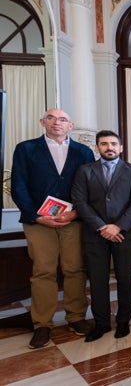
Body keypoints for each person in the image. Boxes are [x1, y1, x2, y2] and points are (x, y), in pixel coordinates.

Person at [10, 109, 96, 349]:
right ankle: (42, 324)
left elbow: (90, 187)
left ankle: (76, 317)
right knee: (43, 272)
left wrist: (78, 212)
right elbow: (19, 186)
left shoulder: (84, 152)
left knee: (75, 270)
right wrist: (36, 216)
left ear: (71, 125)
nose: (57, 122)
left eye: (63, 119)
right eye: (51, 118)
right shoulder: (26, 149)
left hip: (73, 221)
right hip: (39, 223)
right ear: (42, 122)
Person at [72, 130, 131, 342]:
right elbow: (80, 202)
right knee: (97, 280)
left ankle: (123, 322)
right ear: (97, 147)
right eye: (104, 144)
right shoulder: (84, 171)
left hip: (124, 234)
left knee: (125, 279)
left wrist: (118, 226)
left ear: (121, 147)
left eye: (113, 143)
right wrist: (103, 227)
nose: (109, 147)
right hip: (95, 235)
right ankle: (101, 323)